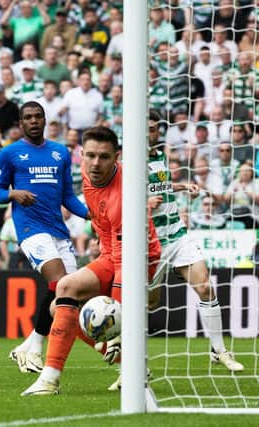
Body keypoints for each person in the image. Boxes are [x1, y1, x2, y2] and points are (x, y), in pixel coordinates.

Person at [21, 126, 161, 396]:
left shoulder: (124, 196)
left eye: (104, 157)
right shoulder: (87, 173)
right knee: (63, 293)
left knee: (107, 319)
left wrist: (119, 312)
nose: (96, 163)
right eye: (91, 156)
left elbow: (125, 261)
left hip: (139, 258)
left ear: (117, 157)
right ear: (81, 155)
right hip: (111, 253)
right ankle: (50, 380)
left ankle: (125, 359)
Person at [0, 101, 89, 374]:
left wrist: (88, 214)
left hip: (58, 230)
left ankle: (25, 347)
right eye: (28, 118)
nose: (34, 121)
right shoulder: (10, 153)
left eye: (38, 116)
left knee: (72, 295)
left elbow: (67, 196)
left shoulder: (60, 152)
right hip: (29, 228)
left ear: (45, 120)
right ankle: (35, 349)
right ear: (21, 124)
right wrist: (14, 194)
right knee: (59, 281)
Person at [148, 111, 243, 375]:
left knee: (205, 287)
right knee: (148, 304)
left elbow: (160, 187)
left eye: (154, 129)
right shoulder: (126, 163)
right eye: (146, 129)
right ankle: (129, 365)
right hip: (150, 242)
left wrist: (180, 186)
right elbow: (119, 202)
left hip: (178, 236)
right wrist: (143, 204)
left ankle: (219, 350)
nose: (150, 134)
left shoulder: (159, 157)